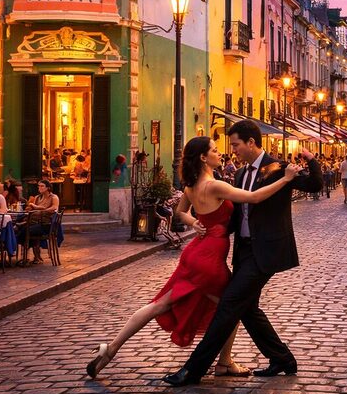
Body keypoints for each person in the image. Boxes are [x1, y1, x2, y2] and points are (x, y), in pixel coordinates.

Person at [87, 135, 304, 380]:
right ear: (203, 157)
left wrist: (194, 222)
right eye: (214, 150)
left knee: (159, 304)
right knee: (232, 307)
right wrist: (285, 179)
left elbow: (180, 212)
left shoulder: (191, 185)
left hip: (194, 252)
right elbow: (254, 197)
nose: (220, 152)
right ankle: (224, 362)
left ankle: (111, 348)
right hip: (210, 258)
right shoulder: (214, 186)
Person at [162, 120, 323, 386]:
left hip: (267, 250)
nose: (232, 150)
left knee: (229, 305)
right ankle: (283, 359)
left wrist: (311, 159)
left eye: (236, 144)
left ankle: (193, 369)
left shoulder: (278, 168)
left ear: (250, 142)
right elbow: (238, 213)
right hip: (243, 249)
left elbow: (315, 185)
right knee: (248, 309)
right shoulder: (238, 174)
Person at [19, 180, 60, 263]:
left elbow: (54, 208)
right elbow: (33, 208)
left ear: (48, 188)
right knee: (21, 229)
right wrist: (30, 207)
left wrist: (39, 208)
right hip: (35, 222)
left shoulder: (53, 197)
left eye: (42, 186)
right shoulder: (37, 197)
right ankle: (32, 257)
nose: (39, 188)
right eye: (39, 186)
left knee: (25, 231)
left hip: (46, 224)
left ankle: (28, 257)